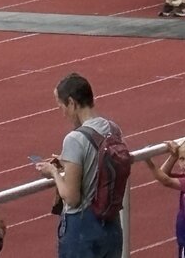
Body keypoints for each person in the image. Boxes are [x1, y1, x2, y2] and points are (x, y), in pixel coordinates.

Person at [35, 71, 129, 258]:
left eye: (61, 106)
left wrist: (54, 172)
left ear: (72, 102)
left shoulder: (75, 139)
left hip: (82, 229)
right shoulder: (112, 128)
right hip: (111, 224)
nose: (63, 113)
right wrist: (67, 161)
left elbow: (71, 197)